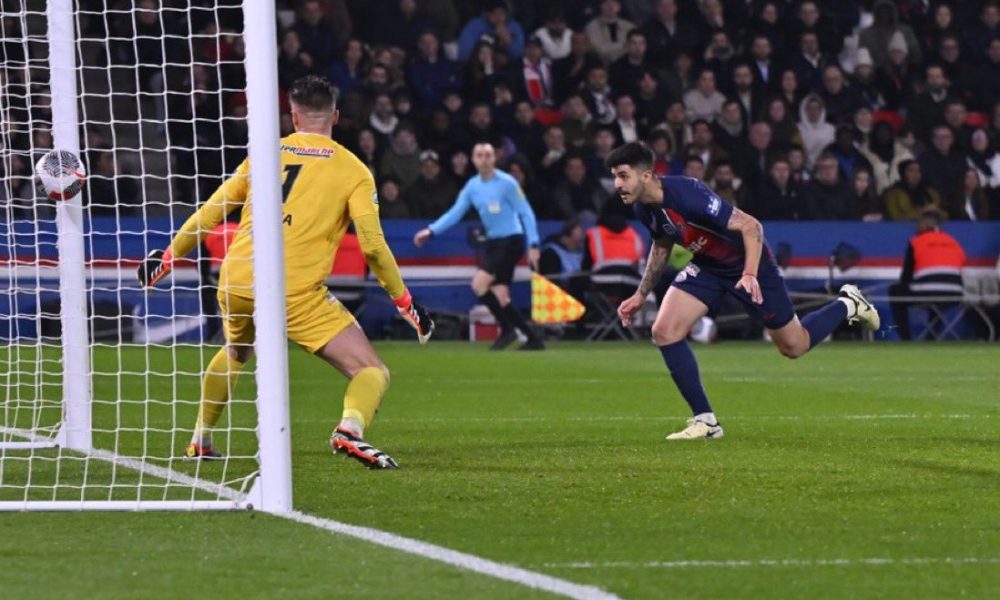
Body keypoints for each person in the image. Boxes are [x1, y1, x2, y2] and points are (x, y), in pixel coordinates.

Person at [138, 76, 433, 469]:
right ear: (336, 117)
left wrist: (169, 257)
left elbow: (212, 210)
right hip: (294, 292)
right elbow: (374, 246)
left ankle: (199, 439)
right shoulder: (354, 170)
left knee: (236, 350)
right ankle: (350, 430)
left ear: (293, 117)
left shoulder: (264, 154)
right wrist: (404, 301)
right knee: (371, 370)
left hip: (237, 278)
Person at [607, 142, 879, 440]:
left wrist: (750, 273)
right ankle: (706, 422)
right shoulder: (643, 208)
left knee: (794, 346)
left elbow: (751, 227)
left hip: (751, 266)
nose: (617, 184)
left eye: (623, 175)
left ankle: (848, 304)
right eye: (615, 176)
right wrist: (640, 294)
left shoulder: (688, 195)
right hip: (709, 267)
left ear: (646, 175)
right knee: (664, 331)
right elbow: (662, 244)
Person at [414, 143, 545, 351]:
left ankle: (507, 329)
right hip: (494, 242)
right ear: (473, 160)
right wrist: (430, 231)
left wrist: (534, 244)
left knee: (478, 284)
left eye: (488, 155)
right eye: (480, 155)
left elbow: (526, 212)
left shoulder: (508, 183)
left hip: (511, 240)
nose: (484, 159)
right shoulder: (472, 186)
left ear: (494, 159)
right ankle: (533, 339)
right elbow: (455, 213)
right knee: (500, 294)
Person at [888, 208, 967, 340]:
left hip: (927, 292)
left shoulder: (916, 242)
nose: (915, 226)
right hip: (955, 294)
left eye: (918, 223)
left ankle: (905, 339)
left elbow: (906, 277)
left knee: (896, 291)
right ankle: (931, 337)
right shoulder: (953, 242)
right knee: (936, 299)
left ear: (924, 224)